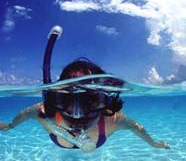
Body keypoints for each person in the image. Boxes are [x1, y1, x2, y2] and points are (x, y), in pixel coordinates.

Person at [0, 58, 170, 152]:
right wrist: (10, 125)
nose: (77, 114)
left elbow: (136, 127)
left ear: (106, 103)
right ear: (56, 99)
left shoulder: (112, 120)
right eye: (67, 101)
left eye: (90, 101)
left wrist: (153, 143)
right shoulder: (46, 113)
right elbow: (25, 113)